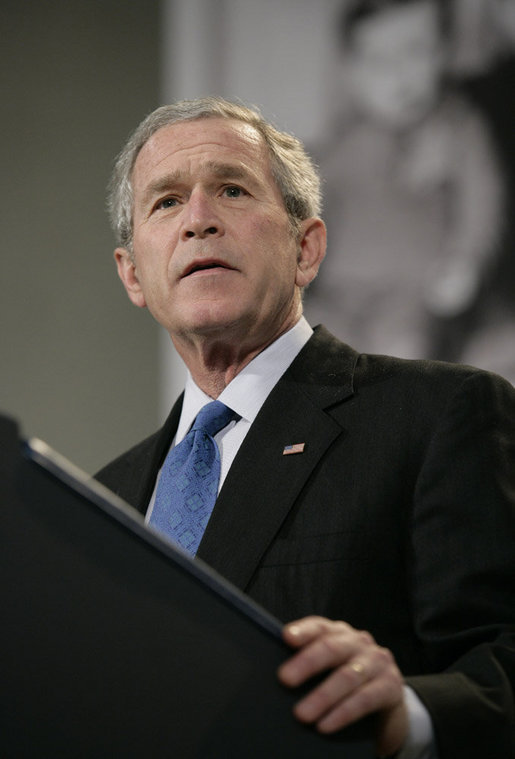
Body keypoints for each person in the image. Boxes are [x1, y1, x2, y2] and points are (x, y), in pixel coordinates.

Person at [96, 96, 515, 758]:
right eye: (166, 202)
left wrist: (406, 714)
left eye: (231, 189)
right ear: (133, 276)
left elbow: (502, 656)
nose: (198, 220)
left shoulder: (439, 416)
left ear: (305, 247)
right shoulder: (104, 501)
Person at [305, 0, 504, 366]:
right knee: (313, 352)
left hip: (411, 292)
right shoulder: (338, 144)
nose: (401, 75)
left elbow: (483, 201)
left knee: (402, 353)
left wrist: (466, 260)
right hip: (338, 289)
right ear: (352, 71)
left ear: (444, 53)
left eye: (417, 51)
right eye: (381, 61)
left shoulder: (458, 129)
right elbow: (307, 208)